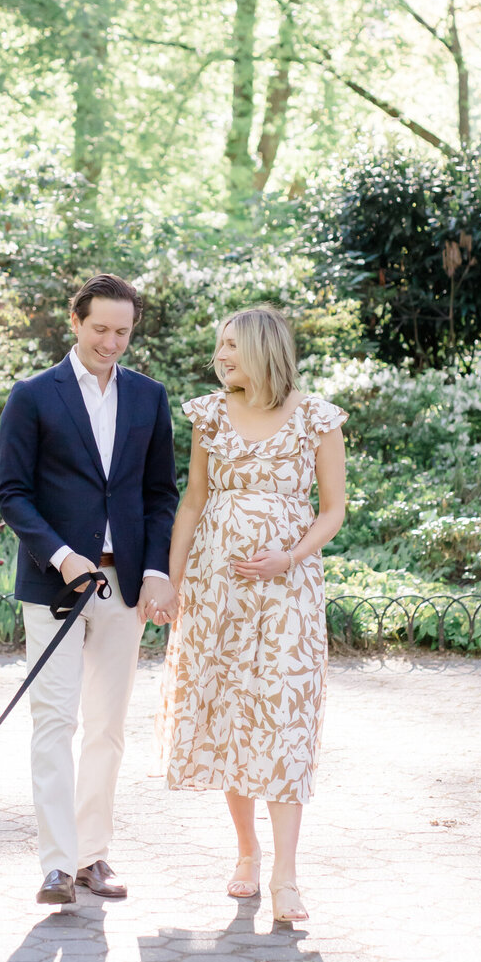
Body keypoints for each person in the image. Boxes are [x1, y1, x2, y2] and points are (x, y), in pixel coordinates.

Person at [155, 305, 346, 927]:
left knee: (283, 720)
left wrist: (287, 556)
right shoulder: (209, 414)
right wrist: (172, 580)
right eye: (219, 346)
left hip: (287, 594)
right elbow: (193, 501)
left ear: (264, 348)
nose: (221, 355)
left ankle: (287, 872)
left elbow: (333, 511)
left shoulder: (317, 418)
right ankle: (245, 851)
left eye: (232, 345)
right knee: (232, 713)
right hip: (217, 593)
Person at [0, 273, 179, 905]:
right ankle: (55, 863)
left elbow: (160, 495)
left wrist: (156, 571)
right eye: (100, 329)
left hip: (125, 585)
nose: (111, 342)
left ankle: (92, 857)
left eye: (122, 331)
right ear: (74, 322)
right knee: (54, 721)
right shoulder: (33, 396)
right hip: (55, 585)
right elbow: (11, 493)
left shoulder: (150, 399)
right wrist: (63, 555)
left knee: (107, 726)